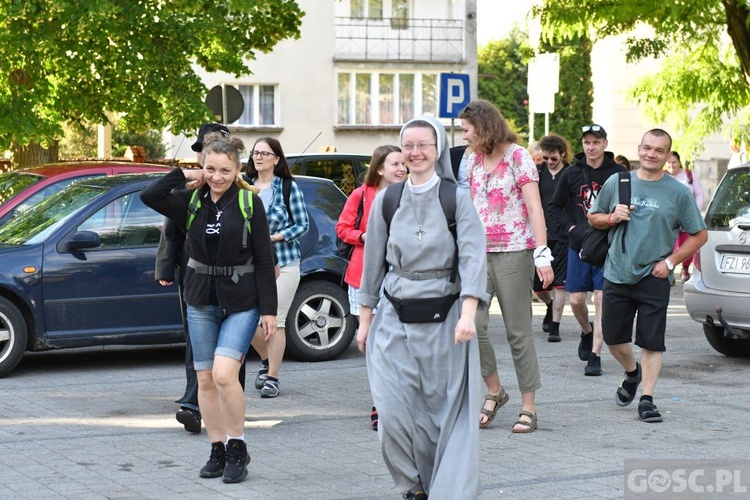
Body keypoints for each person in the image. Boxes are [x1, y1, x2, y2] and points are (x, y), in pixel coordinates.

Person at [357, 116, 489, 499]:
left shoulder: (456, 199)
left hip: (446, 318)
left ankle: (436, 488)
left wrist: (468, 314)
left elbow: (472, 260)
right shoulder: (388, 199)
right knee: (392, 415)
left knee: (437, 415)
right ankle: (410, 484)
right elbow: (372, 265)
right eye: (408, 145)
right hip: (393, 316)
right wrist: (364, 322)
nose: (415, 152)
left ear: (438, 150)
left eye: (423, 145)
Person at [141, 133, 277, 482]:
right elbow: (149, 194)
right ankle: (216, 449)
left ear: (237, 170)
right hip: (200, 298)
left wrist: (269, 311)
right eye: (211, 169)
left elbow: (264, 260)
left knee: (223, 375)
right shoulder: (190, 201)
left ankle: (237, 447)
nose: (218, 177)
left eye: (225, 170)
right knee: (204, 379)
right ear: (202, 167)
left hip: (241, 301)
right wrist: (186, 176)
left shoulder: (249, 204)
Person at [588, 128, 707, 423]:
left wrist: (670, 261)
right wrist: (611, 217)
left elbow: (699, 234)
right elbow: (593, 217)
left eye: (659, 150)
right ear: (639, 149)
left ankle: (647, 399)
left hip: (654, 275)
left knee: (652, 341)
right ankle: (632, 374)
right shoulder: (618, 181)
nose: (651, 154)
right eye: (647, 148)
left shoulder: (678, 192)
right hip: (617, 271)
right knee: (614, 338)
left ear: (668, 156)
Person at [459, 100, 553, 433]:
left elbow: (534, 208)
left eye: (467, 129)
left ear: (484, 126)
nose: (464, 136)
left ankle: (529, 406)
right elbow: (469, 210)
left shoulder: (518, 156)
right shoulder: (471, 160)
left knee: (518, 332)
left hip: (515, 252)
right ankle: (495, 390)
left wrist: (542, 253)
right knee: (473, 326)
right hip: (478, 254)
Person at [155, 122, 239, 434]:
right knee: (197, 339)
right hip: (192, 274)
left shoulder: (242, 193)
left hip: (233, 278)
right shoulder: (189, 189)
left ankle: (224, 405)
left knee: (230, 346)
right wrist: (165, 267)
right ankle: (195, 403)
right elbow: (171, 230)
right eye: (204, 150)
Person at [336, 145, 406, 432]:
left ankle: (399, 399)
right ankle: (380, 402)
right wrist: (365, 235)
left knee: (398, 344)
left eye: (403, 164)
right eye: (395, 164)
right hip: (366, 277)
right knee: (376, 346)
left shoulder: (410, 194)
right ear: (380, 169)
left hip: (402, 278)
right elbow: (342, 229)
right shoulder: (361, 195)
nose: (401, 169)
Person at [548, 124, 627, 376]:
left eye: (596, 142)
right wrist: (571, 229)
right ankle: (586, 330)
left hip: (608, 245)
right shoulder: (571, 173)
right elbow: (554, 207)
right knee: (577, 300)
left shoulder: (618, 172)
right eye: (586, 143)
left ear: (605, 143)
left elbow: (628, 204)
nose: (591, 147)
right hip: (579, 245)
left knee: (602, 297)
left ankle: (596, 354)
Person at [246, 137, 309, 398]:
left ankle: (272, 377)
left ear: (276, 159)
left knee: (276, 321)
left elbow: (302, 224)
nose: (258, 157)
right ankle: (265, 361)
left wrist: (274, 237)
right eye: (255, 152)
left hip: (284, 262)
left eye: (264, 153)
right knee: (248, 322)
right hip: (249, 264)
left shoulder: (288, 187)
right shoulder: (244, 187)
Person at [535, 133, 572, 342]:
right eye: (546, 158)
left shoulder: (569, 173)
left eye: (554, 158)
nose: (549, 162)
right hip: (540, 235)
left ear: (562, 154)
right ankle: (549, 305)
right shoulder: (538, 172)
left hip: (563, 235)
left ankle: (556, 325)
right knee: (539, 287)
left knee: (559, 283)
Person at [665, 151, 704, 281]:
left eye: (674, 162)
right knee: (668, 246)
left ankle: (685, 269)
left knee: (686, 245)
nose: (671, 165)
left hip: (687, 217)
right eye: (668, 163)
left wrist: (694, 211)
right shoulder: (662, 176)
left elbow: (699, 194)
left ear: (679, 162)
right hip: (668, 218)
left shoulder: (689, 175)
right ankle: (668, 273)